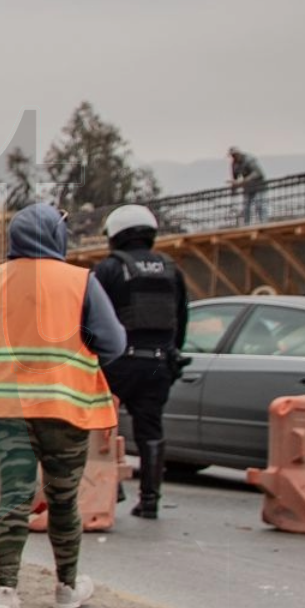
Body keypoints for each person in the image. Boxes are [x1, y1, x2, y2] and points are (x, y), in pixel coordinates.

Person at [0, 204, 125, 608]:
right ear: (57, 237)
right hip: (65, 408)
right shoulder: (80, 281)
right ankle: (67, 587)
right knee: (63, 498)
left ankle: (6, 591)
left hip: (7, 405)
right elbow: (113, 343)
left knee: (13, 496)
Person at [94, 204, 190, 519]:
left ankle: (109, 489)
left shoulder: (109, 269)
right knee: (151, 430)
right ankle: (150, 500)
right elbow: (181, 320)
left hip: (118, 363)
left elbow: (95, 317)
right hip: (158, 363)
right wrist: (170, 353)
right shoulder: (171, 268)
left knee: (101, 425)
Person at [229, 146, 268, 225]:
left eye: (235, 155)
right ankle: (246, 224)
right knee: (246, 207)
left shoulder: (249, 159)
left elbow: (258, 173)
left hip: (259, 186)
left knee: (259, 205)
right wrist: (234, 188)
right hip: (248, 188)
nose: (234, 157)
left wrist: (244, 180)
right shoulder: (234, 164)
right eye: (232, 156)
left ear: (238, 154)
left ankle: (264, 223)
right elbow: (235, 178)